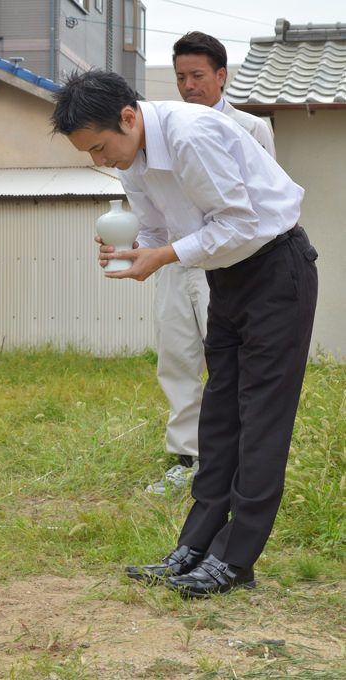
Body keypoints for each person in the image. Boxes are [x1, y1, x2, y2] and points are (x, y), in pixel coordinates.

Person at [51, 70, 317, 597]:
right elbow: (155, 230)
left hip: (276, 270)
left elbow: (240, 224)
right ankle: (196, 546)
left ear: (129, 116)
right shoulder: (132, 158)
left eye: (101, 147)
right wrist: (133, 250)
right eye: (90, 154)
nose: (100, 160)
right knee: (219, 417)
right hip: (226, 276)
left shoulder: (190, 134)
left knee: (259, 418)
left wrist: (165, 256)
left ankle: (236, 561)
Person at [146, 31, 276, 495]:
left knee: (227, 363)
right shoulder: (160, 132)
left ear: (222, 76)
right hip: (175, 260)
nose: (188, 85)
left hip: (227, 263)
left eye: (198, 75)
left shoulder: (251, 126)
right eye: (180, 77)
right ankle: (186, 458)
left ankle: (232, 459)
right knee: (176, 358)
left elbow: (260, 206)